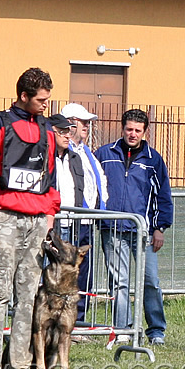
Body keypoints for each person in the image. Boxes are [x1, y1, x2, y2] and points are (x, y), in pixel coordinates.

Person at [0, 67, 60, 369]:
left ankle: (19, 365)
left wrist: (50, 216)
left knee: (28, 295)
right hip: (2, 218)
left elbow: (50, 178)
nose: (46, 104)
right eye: (41, 99)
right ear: (24, 96)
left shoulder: (48, 129)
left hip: (36, 222)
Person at [95, 108, 173, 346]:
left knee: (151, 281)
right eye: (129, 129)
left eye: (138, 130)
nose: (133, 134)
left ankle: (156, 330)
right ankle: (123, 329)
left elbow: (163, 195)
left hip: (143, 231)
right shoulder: (104, 154)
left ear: (144, 131)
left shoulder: (153, 159)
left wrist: (160, 227)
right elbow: (93, 186)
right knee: (119, 282)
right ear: (122, 128)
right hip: (112, 229)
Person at [60, 103, 108, 322]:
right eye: (83, 122)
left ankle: (78, 320)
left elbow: (98, 181)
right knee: (65, 273)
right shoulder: (62, 152)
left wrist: (101, 206)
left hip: (86, 220)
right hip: (67, 221)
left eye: (88, 122)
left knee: (84, 273)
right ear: (70, 123)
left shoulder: (86, 152)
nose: (87, 126)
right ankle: (62, 319)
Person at [47, 114, 84, 244]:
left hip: (71, 226)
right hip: (49, 224)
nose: (67, 135)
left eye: (68, 131)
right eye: (62, 132)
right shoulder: (44, 157)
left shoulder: (75, 158)